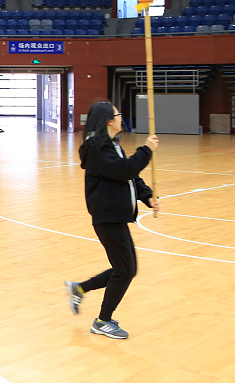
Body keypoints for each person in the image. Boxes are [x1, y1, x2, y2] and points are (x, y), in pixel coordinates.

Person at [65, 101, 159, 340]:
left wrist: (147, 196)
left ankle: (80, 288)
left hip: (117, 216)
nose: (121, 117)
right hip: (107, 216)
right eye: (118, 114)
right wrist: (146, 150)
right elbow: (125, 170)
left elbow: (129, 177)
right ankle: (102, 321)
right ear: (109, 120)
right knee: (124, 269)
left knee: (127, 269)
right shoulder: (97, 148)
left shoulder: (111, 146)